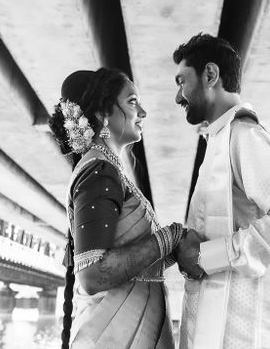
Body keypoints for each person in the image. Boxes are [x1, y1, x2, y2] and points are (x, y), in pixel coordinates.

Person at [171, 33, 270, 348]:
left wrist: (208, 256)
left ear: (210, 75)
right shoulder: (222, 140)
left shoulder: (244, 137)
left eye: (182, 82)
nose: (178, 96)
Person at [48, 67, 184, 349]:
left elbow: (132, 263)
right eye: (133, 102)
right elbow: (93, 274)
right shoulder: (100, 169)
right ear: (102, 113)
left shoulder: (106, 168)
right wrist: (170, 237)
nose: (143, 112)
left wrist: (175, 247)